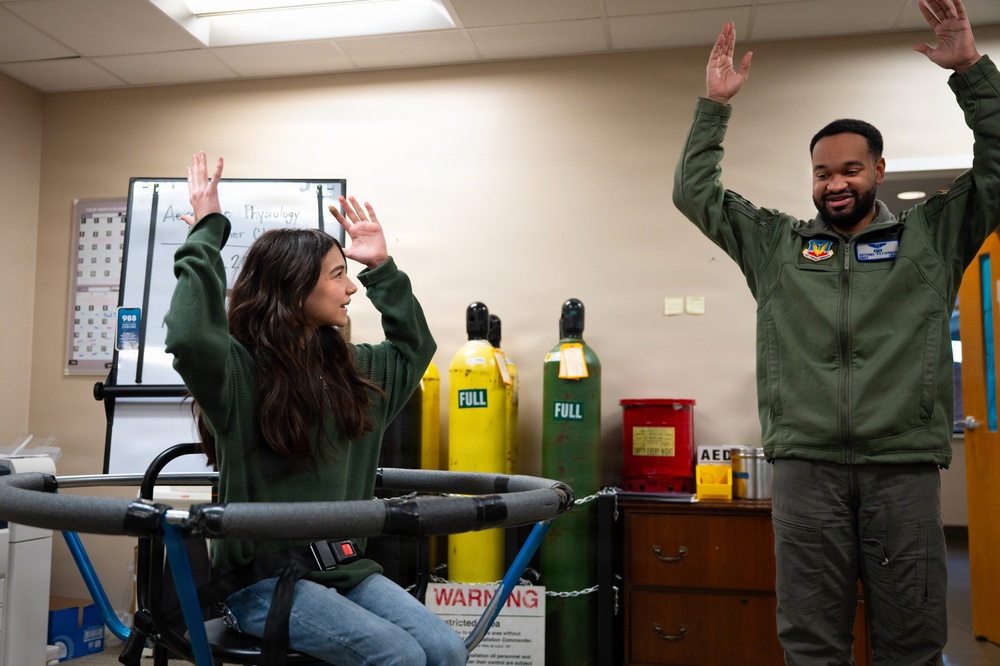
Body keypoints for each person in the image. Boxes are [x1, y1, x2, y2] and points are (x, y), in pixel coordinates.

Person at [672, 0, 1000, 663]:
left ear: (878, 171)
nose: (836, 182)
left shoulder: (931, 236)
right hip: (806, 471)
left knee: (912, 639)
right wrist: (714, 108)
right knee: (811, 640)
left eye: (851, 168)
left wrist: (969, 68)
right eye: (823, 172)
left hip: (900, 469)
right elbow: (695, 195)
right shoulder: (775, 245)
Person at [163, 152, 468, 666]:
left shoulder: (355, 372)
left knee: (445, 650)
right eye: (337, 275)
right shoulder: (239, 374)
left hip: (345, 571)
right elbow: (191, 335)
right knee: (400, 657)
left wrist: (382, 270)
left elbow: (415, 349)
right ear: (292, 285)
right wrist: (207, 232)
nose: (351, 287)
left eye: (349, 275)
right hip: (260, 582)